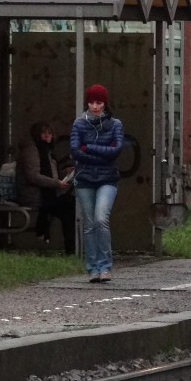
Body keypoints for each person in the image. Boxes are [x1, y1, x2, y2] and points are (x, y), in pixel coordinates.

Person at [70, 84, 124, 283]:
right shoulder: (79, 124)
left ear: (105, 103)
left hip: (107, 179)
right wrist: (102, 151)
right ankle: (92, 267)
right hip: (84, 179)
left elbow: (116, 150)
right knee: (89, 224)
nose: (94, 106)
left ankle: (105, 266)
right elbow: (76, 151)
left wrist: (89, 148)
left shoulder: (115, 124)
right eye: (92, 102)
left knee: (101, 219)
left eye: (99, 102)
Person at [16, 121, 76, 254]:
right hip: (34, 196)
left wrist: (65, 173)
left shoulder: (46, 151)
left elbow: (50, 174)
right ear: (37, 134)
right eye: (44, 133)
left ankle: (71, 249)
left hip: (45, 194)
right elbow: (34, 176)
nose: (47, 136)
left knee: (69, 206)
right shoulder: (31, 150)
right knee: (69, 206)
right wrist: (56, 183)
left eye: (49, 133)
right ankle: (71, 250)